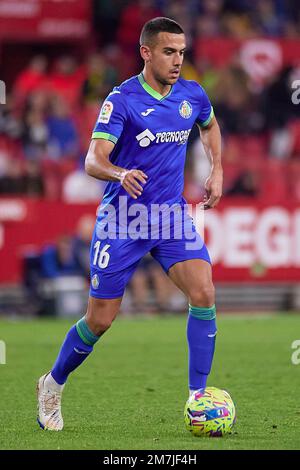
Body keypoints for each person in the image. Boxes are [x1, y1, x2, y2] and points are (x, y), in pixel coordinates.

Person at [36, 17, 223, 431]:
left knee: (204, 292)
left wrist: (217, 170)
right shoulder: (122, 100)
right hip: (123, 220)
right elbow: (92, 160)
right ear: (146, 52)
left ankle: (198, 398)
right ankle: (52, 382)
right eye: (169, 52)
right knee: (100, 320)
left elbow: (209, 125)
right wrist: (120, 173)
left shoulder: (191, 94)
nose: (178, 61)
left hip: (170, 216)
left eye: (182, 52)